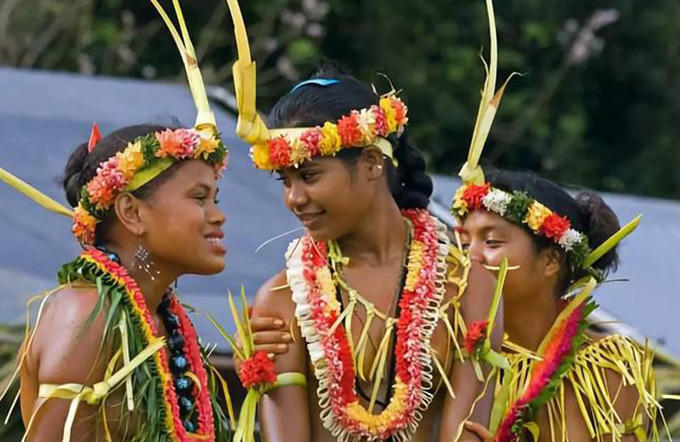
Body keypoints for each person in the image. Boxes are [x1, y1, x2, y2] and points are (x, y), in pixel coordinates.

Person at [0, 2, 234, 440]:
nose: (218, 215)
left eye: (216, 197)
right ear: (131, 212)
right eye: (200, 198)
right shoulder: (85, 315)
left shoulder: (161, 318)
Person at [454, 170, 661, 442]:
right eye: (465, 243)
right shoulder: (456, 355)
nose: (470, 257)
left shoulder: (607, 367)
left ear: (551, 260)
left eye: (491, 242)